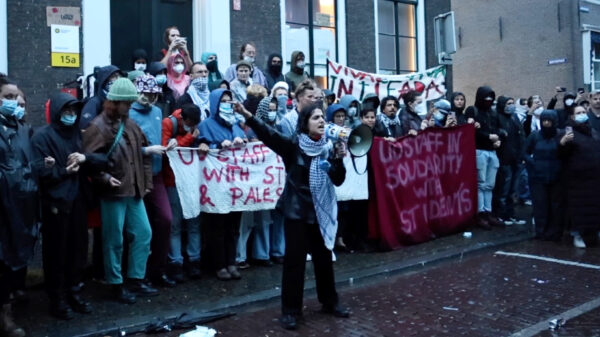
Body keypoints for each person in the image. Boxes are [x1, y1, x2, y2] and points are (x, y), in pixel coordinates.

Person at [238, 102, 350, 330]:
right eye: (315, 118)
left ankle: (330, 302)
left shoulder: (329, 147)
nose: (321, 121)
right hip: (297, 211)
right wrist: (248, 116)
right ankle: (291, 311)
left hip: (321, 210)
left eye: (322, 117)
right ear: (305, 123)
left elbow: (338, 180)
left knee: (324, 260)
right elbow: (269, 135)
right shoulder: (293, 146)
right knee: (294, 263)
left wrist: (338, 160)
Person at [32, 93, 106, 320]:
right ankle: (57, 298)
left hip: (78, 201)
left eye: (74, 112)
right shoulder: (42, 137)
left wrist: (84, 160)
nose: (71, 116)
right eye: (67, 111)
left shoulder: (78, 135)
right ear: (56, 112)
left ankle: (74, 291)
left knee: (78, 249)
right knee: (56, 251)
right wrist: (64, 171)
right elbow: (38, 171)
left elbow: (101, 159)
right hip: (56, 203)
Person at [82, 78, 156, 304]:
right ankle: (115, 284)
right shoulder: (98, 126)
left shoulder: (131, 124)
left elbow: (142, 154)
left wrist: (146, 184)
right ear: (114, 102)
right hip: (113, 192)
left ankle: (136, 279)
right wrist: (104, 178)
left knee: (144, 233)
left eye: (131, 102)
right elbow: (88, 161)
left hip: (133, 190)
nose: (130, 106)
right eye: (126, 102)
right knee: (114, 240)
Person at [0, 77, 41, 337]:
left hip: (21, 203)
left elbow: (28, 163)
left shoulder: (23, 129)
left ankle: (10, 302)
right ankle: (4, 315)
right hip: (2, 206)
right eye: (8, 97)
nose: (15, 102)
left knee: (14, 256)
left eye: (17, 98)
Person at [129, 75, 177, 287]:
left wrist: (170, 144)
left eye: (154, 94)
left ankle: (158, 269)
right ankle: (138, 275)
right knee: (140, 228)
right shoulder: (129, 114)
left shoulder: (158, 112)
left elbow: (160, 140)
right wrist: (146, 150)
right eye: (147, 93)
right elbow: (123, 148)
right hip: (136, 176)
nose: (151, 98)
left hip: (156, 175)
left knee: (165, 220)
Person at [197, 88, 247, 280]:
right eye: (223, 101)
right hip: (216, 184)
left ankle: (231, 262)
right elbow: (201, 148)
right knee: (217, 226)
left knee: (233, 226)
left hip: (235, 183)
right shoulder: (205, 125)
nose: (227, 104)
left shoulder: (236, 124)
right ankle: (218, 264)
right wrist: (216, 146)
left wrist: (242, 141)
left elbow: (246, 144)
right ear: (215, 103)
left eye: (230, 100)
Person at [162, 104, 204, 281]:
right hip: (172, 180)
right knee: (176, 223)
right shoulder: (168, 124)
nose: (192, 127)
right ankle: (176, 262)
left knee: (194, 221)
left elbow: (203, 141)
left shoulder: (193, 125)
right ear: (184, 120)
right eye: (190, 124)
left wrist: (201, 142)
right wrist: (189, 137)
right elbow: (167, 150)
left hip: (192, 179)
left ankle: (194, 260)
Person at [558, 105, 600, 248]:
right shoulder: (568, 133)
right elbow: (561, 155)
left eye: (583, 112)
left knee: (594, 207)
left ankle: (593, 232)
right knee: (579, 208)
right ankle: (578, 234)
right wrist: (563, 144)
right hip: (577, 180)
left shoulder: (592, 131)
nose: (582, 114)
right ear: (572, 117)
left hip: (594, 178)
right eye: (578, 113)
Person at [465, 86, 503, 229]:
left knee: (489, 185)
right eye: (486, 97)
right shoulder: (472, 111)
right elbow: (471, 130)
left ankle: (488, 211)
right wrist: (488, 136)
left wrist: (498, 138)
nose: (489, 100)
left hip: (492, 151)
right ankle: (481, 213)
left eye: (491, 98)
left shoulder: (492, 113)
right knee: (481, 184)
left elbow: (497, 128)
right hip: (480, 150)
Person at [524, 110, 563, 241]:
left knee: (555, 205)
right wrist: (533, 163)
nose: (546, 123)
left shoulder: (560, 135)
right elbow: (524, 152)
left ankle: (555, 232)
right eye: (544, 121)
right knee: (540, 205)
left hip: (557, 176)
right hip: (538, 177)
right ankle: (541, 232)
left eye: (549, 121)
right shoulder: (535, 136)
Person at [492, 96, 526, 226]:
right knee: (503, 190)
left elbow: (521, 135)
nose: (510, 106)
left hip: (515, 159)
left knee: (513, 190)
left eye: (512, 103)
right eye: (508, 103)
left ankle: (510, 214)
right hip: (504, 159)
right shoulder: (498, 118)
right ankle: (501, 214)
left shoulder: (514, 118)